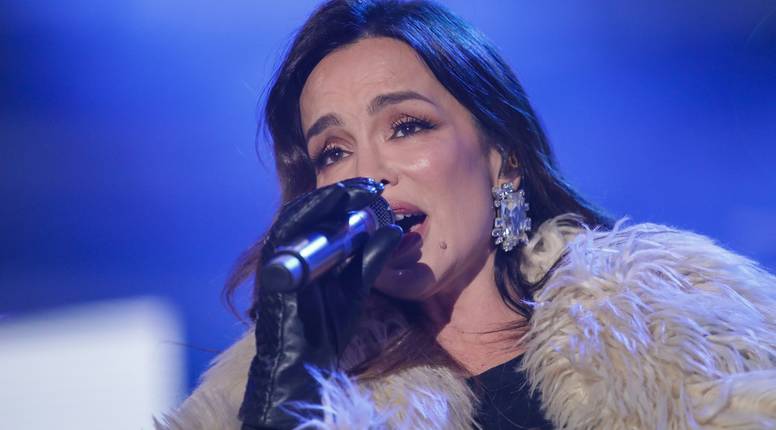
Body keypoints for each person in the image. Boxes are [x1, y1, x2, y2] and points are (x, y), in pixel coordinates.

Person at [157, 1, 776, 429]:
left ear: (502, 158)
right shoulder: (282, 389)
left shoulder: (692, 329)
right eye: (333, 152)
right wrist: (287, 387)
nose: (368, 173)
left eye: (406, 126)